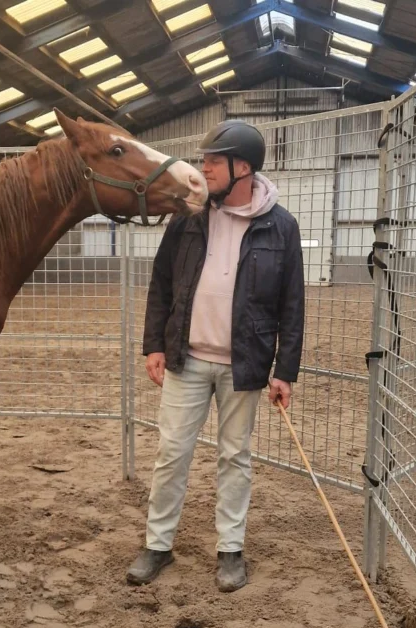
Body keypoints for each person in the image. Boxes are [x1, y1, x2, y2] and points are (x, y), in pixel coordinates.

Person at [126, 120, 305, 592]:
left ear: (242, 166)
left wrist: (284, 371)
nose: (202, 169)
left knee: (234, 458)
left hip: (243, 367)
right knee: (171, 455)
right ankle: (157, 546)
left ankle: (230, 551)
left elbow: (292, 304)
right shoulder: (187, 216)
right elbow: (161, 283)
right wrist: (154, 345)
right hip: (186, 359)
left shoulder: (281, 227)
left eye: (212, 162)